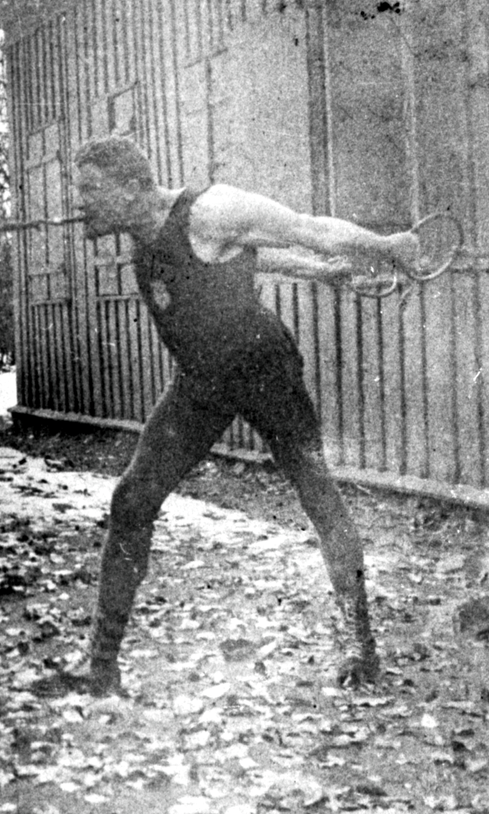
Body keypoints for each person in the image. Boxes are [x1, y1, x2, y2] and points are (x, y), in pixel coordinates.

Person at [70, 135, 421, 694]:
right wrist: (319, 272)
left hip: (265, 373)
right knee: (131, 500)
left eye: (90, 189)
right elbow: (245, 261)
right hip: (202, 383)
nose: (79, 202)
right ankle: (101, 669)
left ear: (132, 187)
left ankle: (362, 645)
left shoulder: (211, 212)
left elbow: (306, 228)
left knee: (317, 494)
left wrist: (387, 245)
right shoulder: (144, 234)